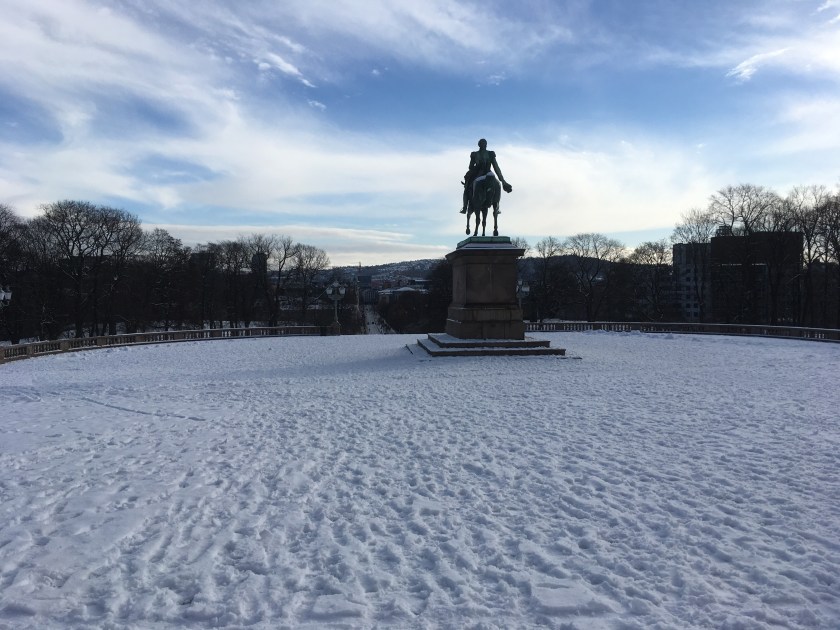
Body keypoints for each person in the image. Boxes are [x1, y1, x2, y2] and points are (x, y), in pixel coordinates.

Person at [460, 138, 511, 214]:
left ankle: (465, 207)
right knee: (467, 187)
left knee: (497, 185)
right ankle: (465, 206)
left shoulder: (489, 154)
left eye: (484, 144)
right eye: (482, 144)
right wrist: (503, 181)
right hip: (483, 173)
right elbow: (471, 167)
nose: (483, 145)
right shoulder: (476, 154)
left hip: (483, 173)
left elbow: (496, 167)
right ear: (480, 145)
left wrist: (503, 181)